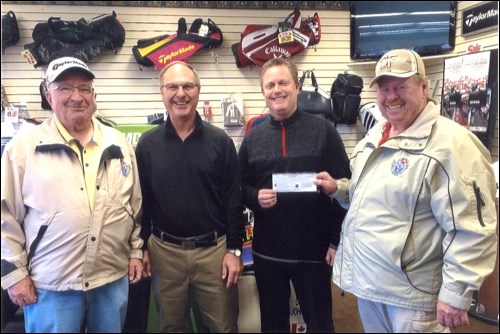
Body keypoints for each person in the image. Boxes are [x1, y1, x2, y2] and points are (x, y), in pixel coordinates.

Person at [326, 49, 498, 333]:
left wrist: (456, 293)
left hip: (412, 298)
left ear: (424, 87)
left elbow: (472, 228)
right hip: (372, 288)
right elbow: (371, 197)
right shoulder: (375, 136)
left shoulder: (452, 145)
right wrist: (341, 189)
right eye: (384, 88)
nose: (391, 96)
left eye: (400, 86)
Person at [0, 56, 144, 333]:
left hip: (111, 280)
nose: (76, 97)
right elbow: (4, 219)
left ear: (94, 95)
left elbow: (134, 206)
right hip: (52, 287)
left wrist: (136, 251)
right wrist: (14, 275)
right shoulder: (23, 148)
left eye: (84, 88)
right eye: (65, 88)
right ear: (48, 95)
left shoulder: (119, 143)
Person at [238, 57, 351, 333]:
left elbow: (346, 186)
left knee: (321, 325)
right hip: (268, 254)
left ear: (297, 86)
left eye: (283, 82)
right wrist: (256, 197)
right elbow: (239, 188)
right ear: (263, 91)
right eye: (270, 85)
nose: (277, 90)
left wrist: (336, 242)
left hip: (313, 253)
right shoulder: (252, 138)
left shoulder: (324, 131)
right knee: (273, 326)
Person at [136, 61, 244, 333]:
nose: (180, 93)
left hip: (215, 253)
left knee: (223, 326)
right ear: (162, 92)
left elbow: (234, 200)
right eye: (172, 86)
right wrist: (142, 247)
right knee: (172, 327)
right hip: (165, 254)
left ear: (198, 91)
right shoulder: (147, 145)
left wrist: (234, 250)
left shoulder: (220, 142)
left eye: (188, 86)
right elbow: (143, 202)